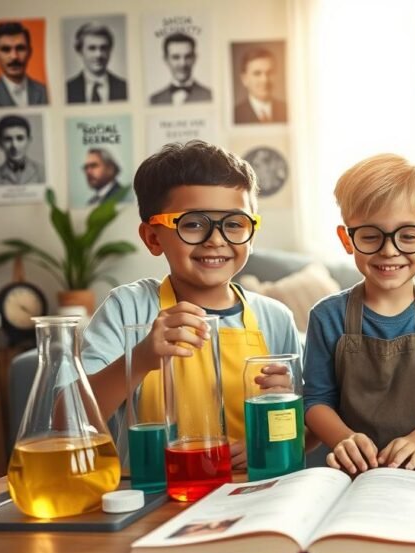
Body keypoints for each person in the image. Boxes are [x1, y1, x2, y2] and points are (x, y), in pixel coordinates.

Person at [81, 140, 307, 469]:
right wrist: (142, 357)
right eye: (193, 224)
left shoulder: (274, 318)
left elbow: (299, 431)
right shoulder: (128, 309)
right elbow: (68, 417)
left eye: (234, 224)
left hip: (252, 492)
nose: (216, 239)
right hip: (154, 496)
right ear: (153, 238)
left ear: (251, 233)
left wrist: (274, 430)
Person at [303, 154, 415, 474]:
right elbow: (316, 401)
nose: (389, 250)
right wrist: (345, 439)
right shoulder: (326, 316)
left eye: (407, 235)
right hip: (350, 475)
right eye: (371, 235)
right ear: (347, 239)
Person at [0, 22, 48, 108]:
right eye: (5, 49)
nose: (14, 56)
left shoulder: (47, 93)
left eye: (20, 48)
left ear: (29, 52)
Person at [65, 22, 128, 104]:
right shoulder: (67, 89)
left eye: (103, 48)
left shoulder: (125, 87)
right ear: (80, 51)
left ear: (110, 51)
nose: (98, 55)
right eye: (92, 48)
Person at [149, 33, 213, 105]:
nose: (183, 64)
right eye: (176, 57)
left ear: (194, 58)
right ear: (166, 59)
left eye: (188, 57)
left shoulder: (209, 96)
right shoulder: (155, 100)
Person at [233, 48, 287, 124]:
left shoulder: (288, 110)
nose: (265, 80)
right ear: (244, 79)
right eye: (257, 73)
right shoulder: (235, 115)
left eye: (270, 73)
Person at [0, 115, 44, 186]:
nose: (14, 145)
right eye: (8, 139)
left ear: (29, 141)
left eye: (20, 138)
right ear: (0, 144)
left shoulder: (42, 172)